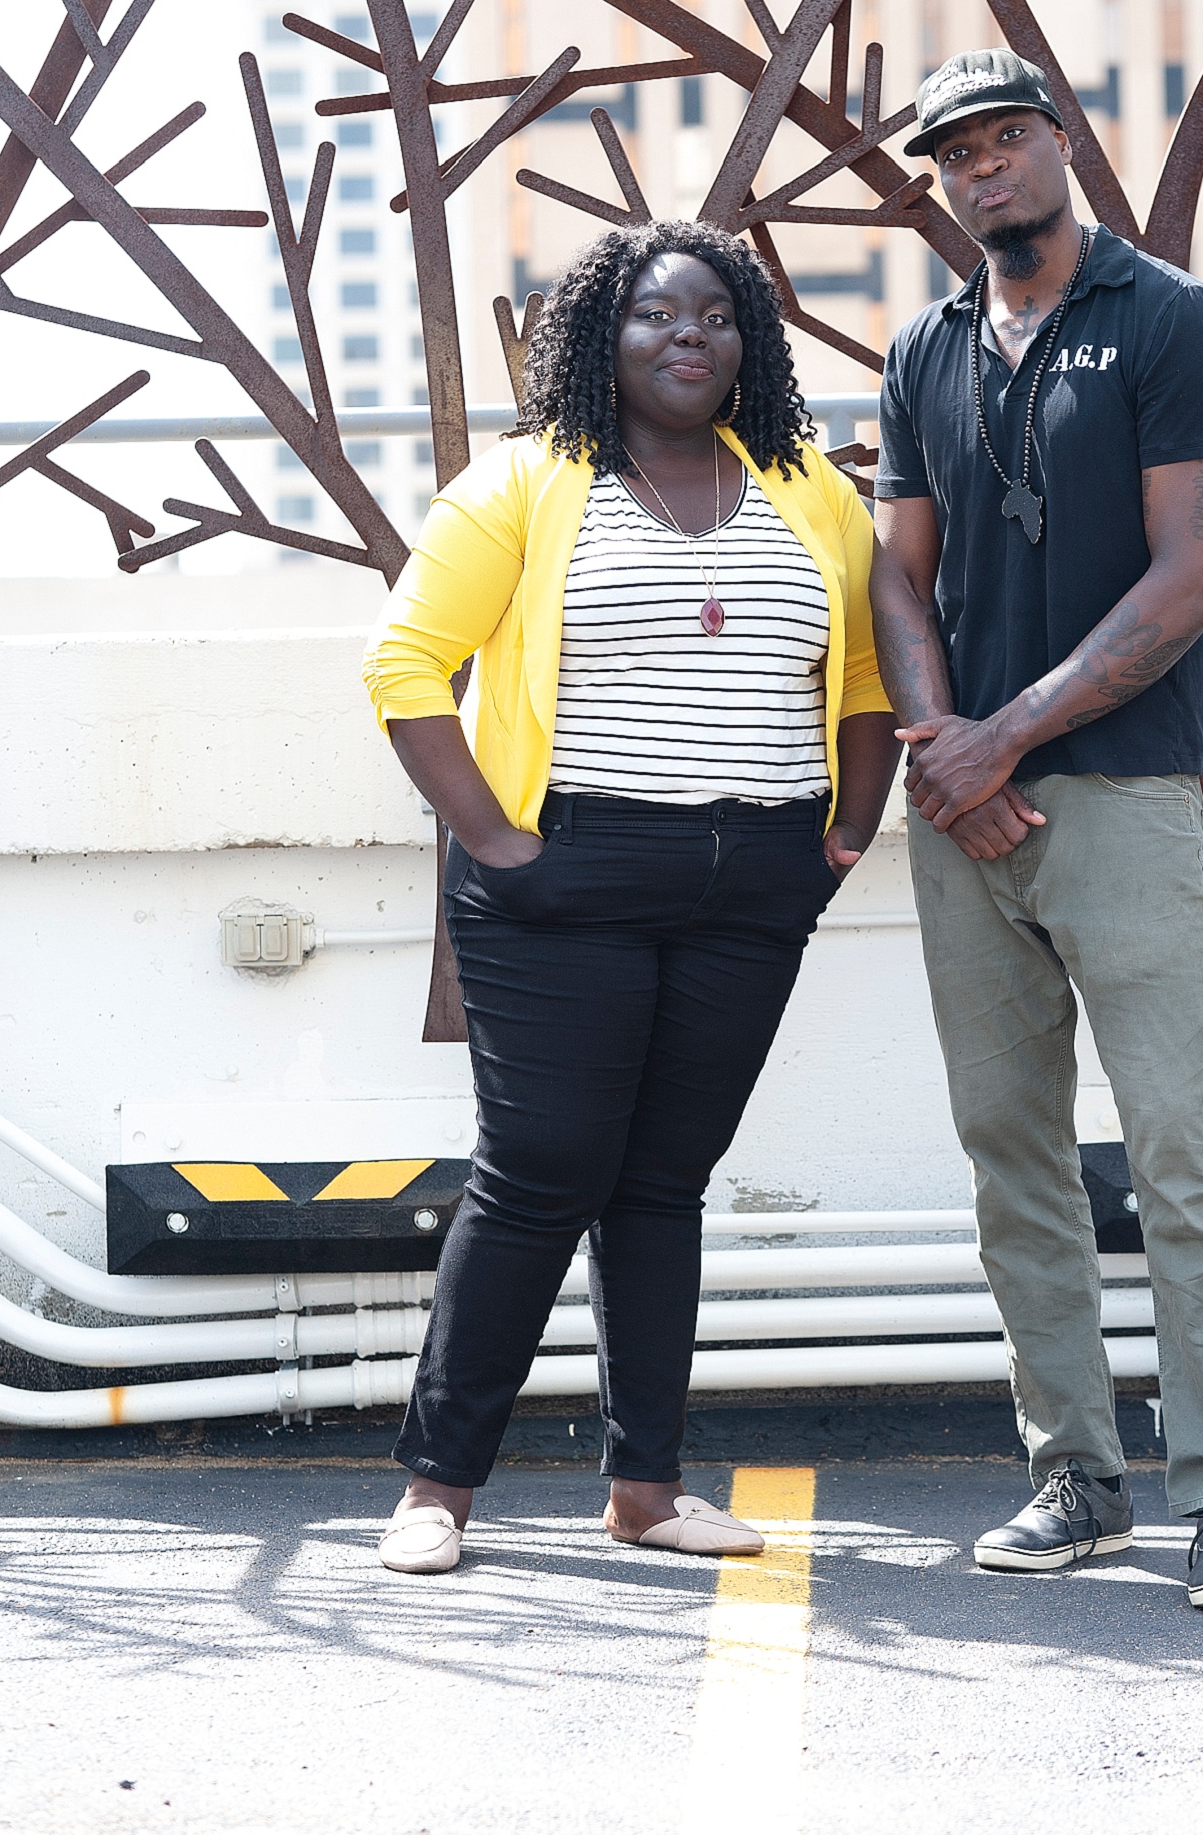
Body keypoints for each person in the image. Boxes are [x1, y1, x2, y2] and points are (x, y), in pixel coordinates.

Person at [363, 222, 896, 1574]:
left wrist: (841, 835)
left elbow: (869, 679)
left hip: (752, 884)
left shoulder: (807, 489)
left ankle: (648, 1489)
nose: (687, 337)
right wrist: (495, 841)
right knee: (540, 1175)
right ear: (605, 337)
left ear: (748, 343)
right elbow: (407, 668)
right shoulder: (528, 485)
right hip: (566, 879)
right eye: (658, 315)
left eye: (716, 316)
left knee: (663, 1183)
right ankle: (438, 1487)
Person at [869, 49, 1203, 1609]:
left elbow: (1189, 581)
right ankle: (1077, 1473)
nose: (983, 168)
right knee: (1012, 1149)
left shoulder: (1172, 319)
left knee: (1181, 1146)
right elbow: (896, 577)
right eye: (954, 154)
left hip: (1115, 788)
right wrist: (945, 753)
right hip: (965, 807)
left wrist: (1005, 738)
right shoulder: (925, 347)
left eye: (1004, 137)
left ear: (1062, 143)